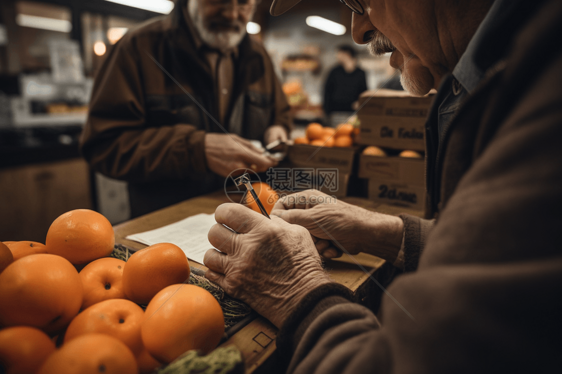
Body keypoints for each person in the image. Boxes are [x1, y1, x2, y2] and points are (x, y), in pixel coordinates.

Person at [203, 0, 562, 372]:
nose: (357, 31)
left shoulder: (544, 94)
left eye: (360, 1)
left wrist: (296, 291)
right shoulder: (516, 75)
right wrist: (384, 232)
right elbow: (499, 253)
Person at [80, 0, 291, 218]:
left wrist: (277, 128)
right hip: (165, 229)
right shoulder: (139, 47)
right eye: (219, 1)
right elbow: (104, 146)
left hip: (249, 218)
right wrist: (195, 150)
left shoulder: (258, 55)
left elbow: (281, 113)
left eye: (243, 3)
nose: (231, 14)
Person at [323, 45, 367, 125]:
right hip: (335, 112)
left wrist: (360, 102)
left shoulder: (361, 73)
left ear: (346, 54)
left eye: (338, 53)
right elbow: (327, 92)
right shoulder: (334, 71)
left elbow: (364, 91)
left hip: (353, 114)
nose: (336, 56)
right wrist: (327, 112)